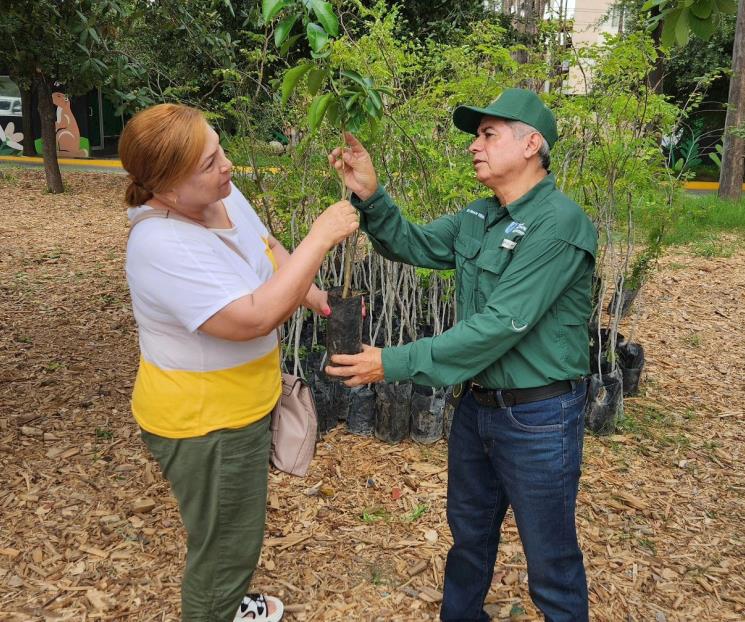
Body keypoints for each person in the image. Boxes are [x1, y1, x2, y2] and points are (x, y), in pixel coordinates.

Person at [326, 88, 597, 621]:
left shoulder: (559, 225)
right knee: (468, 542)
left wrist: (394, 362)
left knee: (552, 564)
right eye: (477, 135)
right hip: (478, 409)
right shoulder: (481, 216)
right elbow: (417, 245)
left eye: (488, 134)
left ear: (531, 144)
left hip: (539, 418)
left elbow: (499, 326)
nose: (475, 145)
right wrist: (372, 197)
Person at [119, 103, 358, 622]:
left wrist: (312, 293)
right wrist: (320, 238)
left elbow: (267, 247)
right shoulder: (161, 243)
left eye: (219, 148)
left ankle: (226, 602)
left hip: (238, 406)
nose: (225, 165)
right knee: (227, 548)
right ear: (166, 188)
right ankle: (217, 608)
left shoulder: (220, 196)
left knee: (228, 528)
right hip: (206, 425)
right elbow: (252, 319)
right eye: (208, 164)